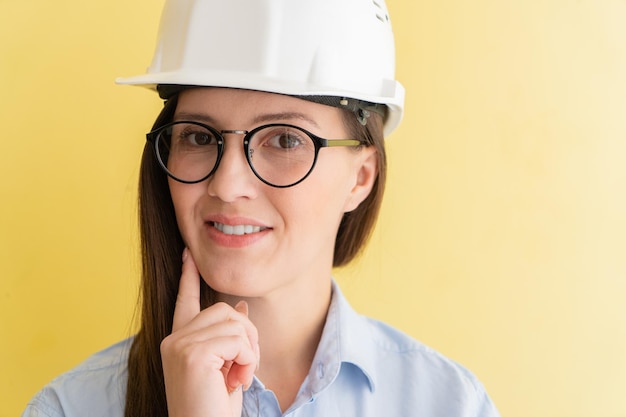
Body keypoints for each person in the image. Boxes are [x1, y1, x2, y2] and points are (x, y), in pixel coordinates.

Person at [22, 0, 501, 416]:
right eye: (199, 137)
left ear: (361, 176)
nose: (227, 185)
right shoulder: (71, 408)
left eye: (285, 139)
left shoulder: (449, 405)